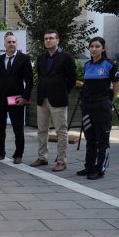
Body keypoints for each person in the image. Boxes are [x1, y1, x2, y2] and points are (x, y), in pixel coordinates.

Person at [32, 30, 77, 172]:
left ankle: (61, 161)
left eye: (51, 38)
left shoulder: (66, 57)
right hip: (42, 98)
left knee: (61, 131)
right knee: (42, 130)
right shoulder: (41, 58)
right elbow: (41, 76)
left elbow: (72, 79)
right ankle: (42, 157)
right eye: (46, 39)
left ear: (58, 40)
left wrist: (63, 91)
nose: (48, 41)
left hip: (58, 99)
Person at [78, 37, 119, 180]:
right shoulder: (87, 65)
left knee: (102, 140)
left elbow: (116, 85)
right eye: (92, 46)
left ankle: (99, 169)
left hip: (102, 106)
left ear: (103, 49)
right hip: (87, 106)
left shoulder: (110, 65)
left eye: (97, 46)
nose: (94, 49)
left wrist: (110, 102)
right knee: (90, 138)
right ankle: (89, 166)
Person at [0, 32, 33, 164]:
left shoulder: (24, 58)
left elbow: (30, 81)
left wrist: (25, 98)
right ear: (4, 44)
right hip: (0, 99)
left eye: (14, 42)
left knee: (18, 129)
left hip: (16, 99)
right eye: (9, 42)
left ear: (17, 44)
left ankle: (18, 154)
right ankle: (0, 152)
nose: (11, 44)